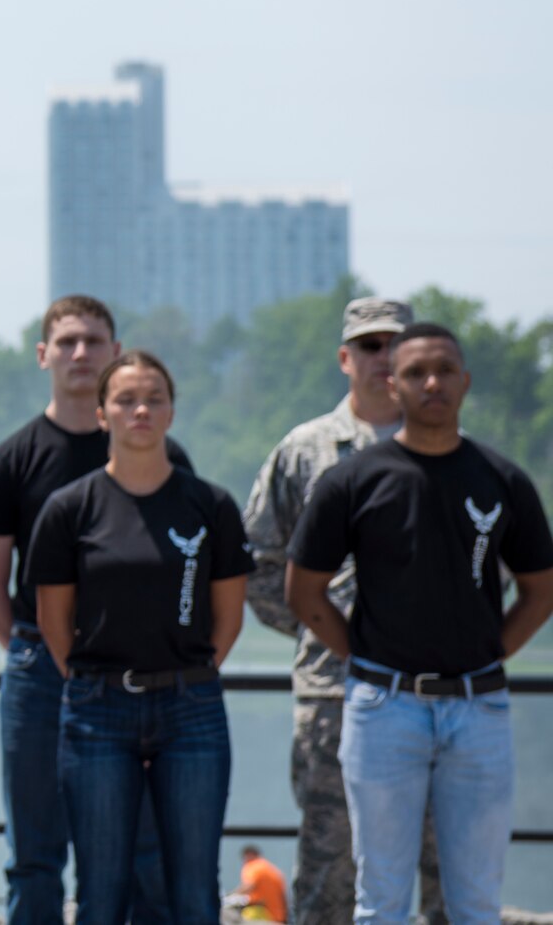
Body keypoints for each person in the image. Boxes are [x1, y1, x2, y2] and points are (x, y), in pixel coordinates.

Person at [287, 323, 553, 925]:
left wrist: (489, 652)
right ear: (392, 383)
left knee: (476, 903)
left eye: (444, 370)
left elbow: (541, 591)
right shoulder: (353, 480)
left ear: (465, 380)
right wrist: (359, 655)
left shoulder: (502, 479)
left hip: (479, 710)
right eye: (414, 372)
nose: (431, 383)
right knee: (379, 901)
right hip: (384, 708)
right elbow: (303, 590)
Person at [0, 297, 188, 925]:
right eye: (66, 342)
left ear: (116, 353)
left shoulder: (159, 457)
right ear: (43, 355)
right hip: (40, 669)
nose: (80, 353)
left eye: (94, 341)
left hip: (140, 677)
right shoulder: (13, 461)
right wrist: (38, 647)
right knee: (36, 853)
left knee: (146, 847)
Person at [242, 297, 447, 925]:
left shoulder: (446, 447)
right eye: (368, 346)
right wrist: (325, 632)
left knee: (445, 868)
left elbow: (486, 571)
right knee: (331, 869)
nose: (382, 359)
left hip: (438, 691)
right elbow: (258, 565)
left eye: (394, 345)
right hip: (335, 692)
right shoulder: (305, 449)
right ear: (344, 358)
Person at [27, 350, 250, 925]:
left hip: (192, 710)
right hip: (98, 711)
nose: (141, 410)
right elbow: (55, 622)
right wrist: (94, 682)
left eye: (154, 398)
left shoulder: (211, 506)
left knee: (196, 890)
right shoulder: (68, 509)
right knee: (101, 892)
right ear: (102, 414)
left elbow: (228, 618)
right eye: (125, 399)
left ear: (172, 411)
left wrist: (186, 676)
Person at [227, 846, 288, 922]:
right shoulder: (273, 870)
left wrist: (231, 895)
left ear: (248, 855)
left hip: (261, 914)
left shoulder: (253, 866)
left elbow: (249, 885)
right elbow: (283, 896)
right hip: (278, 917)